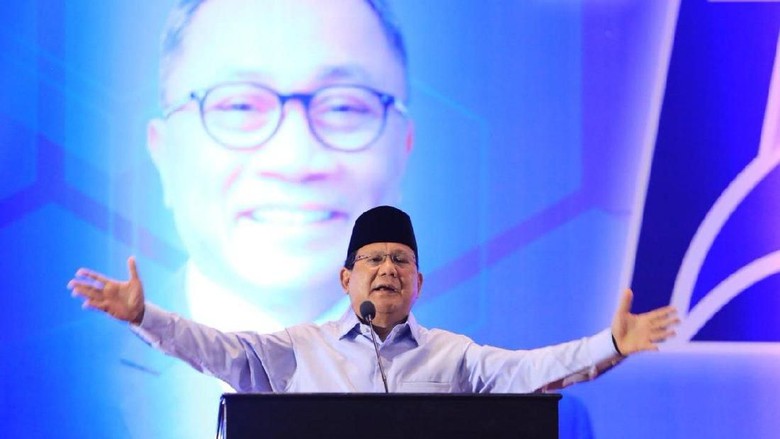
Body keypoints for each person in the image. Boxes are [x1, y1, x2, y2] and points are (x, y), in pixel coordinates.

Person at [69, 206, 678, 395]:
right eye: (373, 259)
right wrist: (144, 316)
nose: (388, 269)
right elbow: (215, 350)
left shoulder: (453, 356)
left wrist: (611, 344)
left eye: (401, 260)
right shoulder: (297, 351)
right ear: (346, 279)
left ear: (419, 283)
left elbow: (531, 372)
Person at [147, 0, 413, 332]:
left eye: (343, 108)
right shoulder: (82, 360)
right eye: (240, 106)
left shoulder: (465, 362)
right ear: (163, 153)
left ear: (403, 149)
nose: (294, 161)